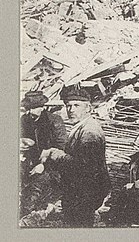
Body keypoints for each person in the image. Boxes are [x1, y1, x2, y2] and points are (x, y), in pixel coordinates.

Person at [40, 86, 110, 227]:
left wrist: (56, 154)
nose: (71, 110)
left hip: (86, 190)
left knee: (79, 226)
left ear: (88, 108)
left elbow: (86, 165)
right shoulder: (81, 127)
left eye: (76, 105)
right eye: (68, 106)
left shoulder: (90, 131)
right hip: (80, 189)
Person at [21, 91, 67, 176]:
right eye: (27, 108)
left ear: (42, 107)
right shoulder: (24, 119)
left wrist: (43, 164)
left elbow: (61, 146)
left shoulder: (54, 121)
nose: (30, 112)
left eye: (33, 108)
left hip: (51, 164)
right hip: (30, 161)